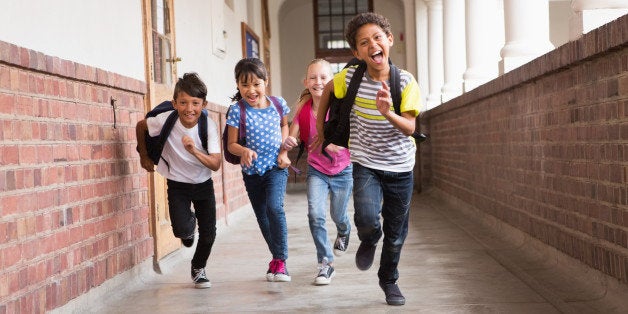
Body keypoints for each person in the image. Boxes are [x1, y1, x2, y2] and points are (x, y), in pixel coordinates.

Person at [314, 12, 421, 306]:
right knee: (366, 218)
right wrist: (322, 129)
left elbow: (410, 127)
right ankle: (370, 237)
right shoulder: (349, 78)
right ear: (357, 52)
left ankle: (389, 280)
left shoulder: (406, 82)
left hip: (400, 167)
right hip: (366, 163)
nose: (372, 44)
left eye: (377, 37)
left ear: (389, 40)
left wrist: (388, 112)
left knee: (396, 233)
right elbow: (325, 92)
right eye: (364, 42)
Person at [136, 73, 222, 289]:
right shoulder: (166, 119)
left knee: (209, 234)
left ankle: (198, 267)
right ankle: (187, 226)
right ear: (174, 103)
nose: (189, 108)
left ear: (204, 104)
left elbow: (215, 164)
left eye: (195, 103)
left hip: (203, 184)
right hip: (177, 184)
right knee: (181, 231)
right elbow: (141, 126)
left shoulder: (208, 126)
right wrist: (144, 156)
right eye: (183, 102)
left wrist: (193, 151)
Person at [282, 59, 353, 286]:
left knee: (337, 214)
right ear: (306, 81)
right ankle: (325, 263)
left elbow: (355, 136)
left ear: (332, 81)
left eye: (323, 77)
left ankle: (344, 229)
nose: (318, 82)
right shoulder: (303, 108)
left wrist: (338, 144)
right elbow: (292, 136)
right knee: (315, 214)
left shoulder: (339, 107)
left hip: (343, 169)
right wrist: (289, 142)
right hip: (317, 171)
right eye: (312, 77)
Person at [225, 57, 292, 282]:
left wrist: (284, 151)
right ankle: (275, 258)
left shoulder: (278, 103)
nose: (251, 90)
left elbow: (285, 125)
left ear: (266, 81)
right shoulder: (236, 110)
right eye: (245, 85)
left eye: (256, 84)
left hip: (276, 167)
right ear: (237, 85)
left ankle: (281, 261)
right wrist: (243, 151)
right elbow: (231, 145)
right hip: (252, 172)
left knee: (274, 208)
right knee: (262, 217)